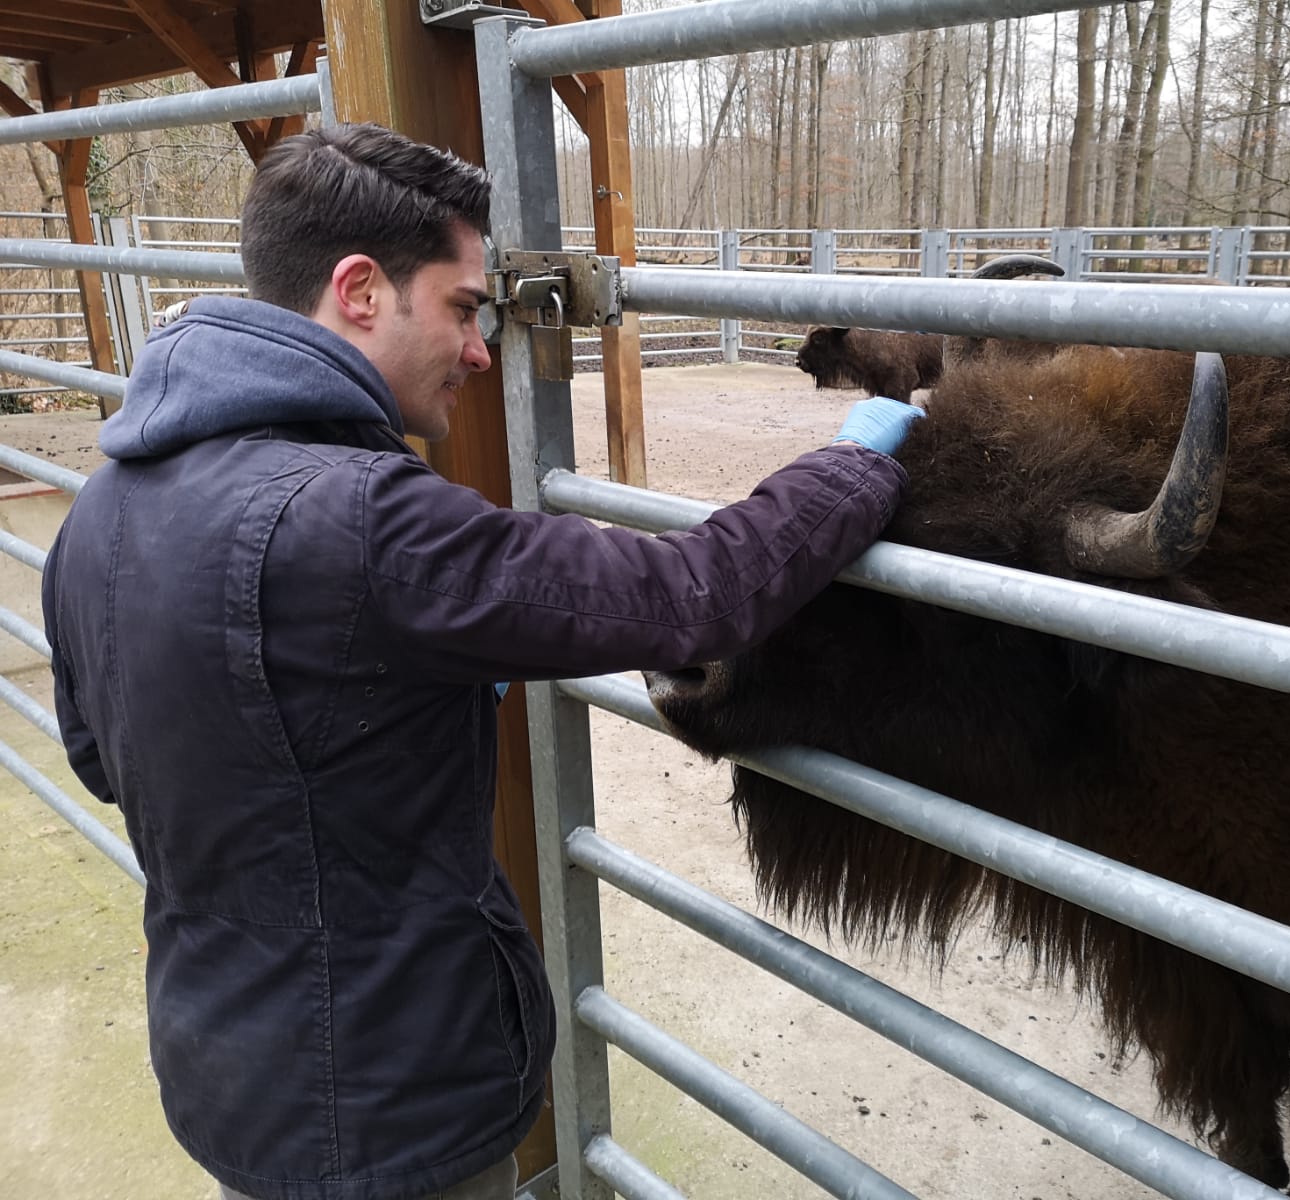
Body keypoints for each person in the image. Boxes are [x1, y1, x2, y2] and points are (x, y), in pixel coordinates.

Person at [41, 123, 922, 1200]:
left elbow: (104, 756)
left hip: (229, 1074)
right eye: (462, 308)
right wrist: (855, 460)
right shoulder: (369, 523)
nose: (479, 348)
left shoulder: (101, 511)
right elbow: (699, 596)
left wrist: (353, 714)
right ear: (360, 292)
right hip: (395, 1107)